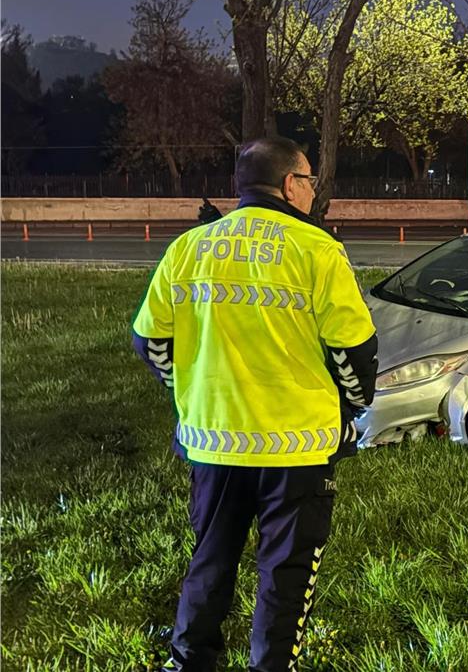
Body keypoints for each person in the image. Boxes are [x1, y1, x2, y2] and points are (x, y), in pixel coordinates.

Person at [132, 136, 378, 671]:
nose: (312, 190)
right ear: (290, 184)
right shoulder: (316, 250)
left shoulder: (189, 248)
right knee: (285, 578)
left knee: (210, 563)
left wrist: (189, 388)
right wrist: (354, 408)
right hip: (299, 451)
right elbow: (352, 350)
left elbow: (150, 340)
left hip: (213, 444)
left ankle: (189, 661)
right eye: (309, 180)